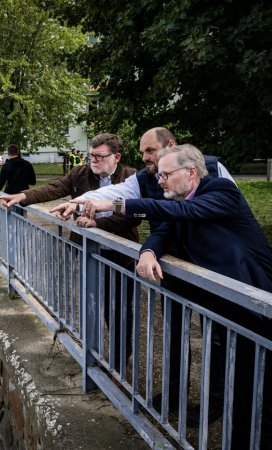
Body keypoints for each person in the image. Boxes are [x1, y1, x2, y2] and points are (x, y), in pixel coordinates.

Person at [74, 144, 272, 448]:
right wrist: (149, 251)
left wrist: (115, 206)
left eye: (166, 174)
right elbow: (162, 231)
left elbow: (184, 212)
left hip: (257, 306)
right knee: (241, 387)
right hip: (227, 308)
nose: (160, 180)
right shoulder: (178, 200)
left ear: (190, 172)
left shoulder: (220, 190)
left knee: (256, 389)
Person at [50, 127, 235, 421]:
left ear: (171, 146)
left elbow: (217, 216)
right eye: (142, 152)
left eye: (150, 151)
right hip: (173, 266)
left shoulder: (213, 172)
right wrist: (77, 203)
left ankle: (215, 404)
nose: (145, 158)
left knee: (216, 336)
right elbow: (114, 192)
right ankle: (174, 393)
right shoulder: (146, 178)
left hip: (213, 268)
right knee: (175, 330)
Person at [0, 133, 139, 376]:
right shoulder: (80, 174)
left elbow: (137, 214)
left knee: (121, 310)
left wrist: (96, 225)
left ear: (116, 157)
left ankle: (120, 360)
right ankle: (92, 357)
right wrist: (22, 196)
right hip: (87, 252)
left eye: (99, 156)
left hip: (120, 255)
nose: (93, 160)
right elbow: (55, 188)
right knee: (93, 305)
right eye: (90, 155)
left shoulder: (131, 177)